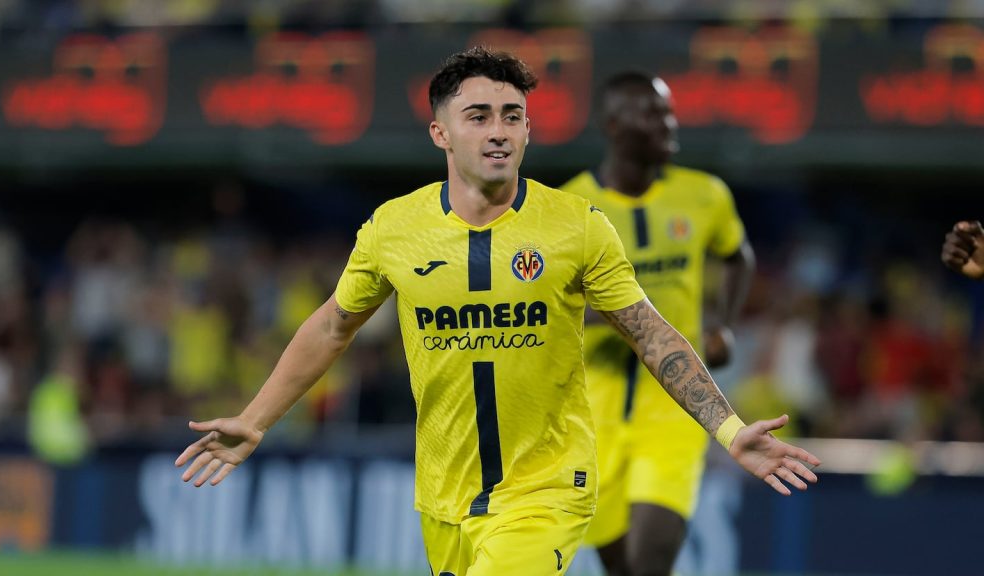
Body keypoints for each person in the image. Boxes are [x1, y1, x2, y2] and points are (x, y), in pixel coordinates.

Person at [176, 48, 819, 576]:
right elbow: (332, 325)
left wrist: (729, 430)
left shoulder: (577, 226)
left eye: (513, 116)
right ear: (441, 132)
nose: (499, 131)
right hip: (444, 497)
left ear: (528, 130)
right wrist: (255, 420)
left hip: (547, 489)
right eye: (478, 116)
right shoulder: (393, 230)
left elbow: (651, 333)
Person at [560, 71, 756, 576]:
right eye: (652, 113)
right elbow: (541, 306)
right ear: (613, 125)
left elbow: (738, 256)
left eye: (668, 111)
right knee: (622, 569)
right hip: (591, 413)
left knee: (650, 564)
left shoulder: (704, 195)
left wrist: (723, 323)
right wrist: (607, 315)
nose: (669, 123)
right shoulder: (567, 210)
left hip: (675, 406)